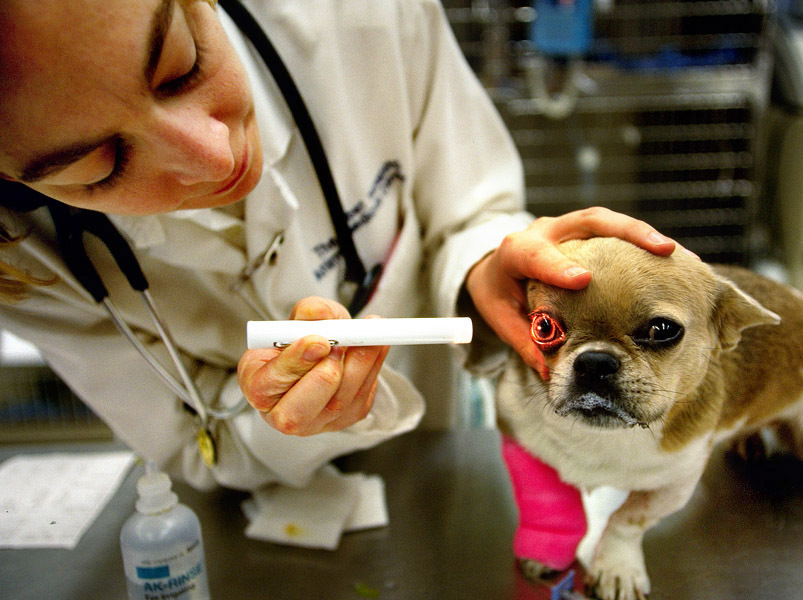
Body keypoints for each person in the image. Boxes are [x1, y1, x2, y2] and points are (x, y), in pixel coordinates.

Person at [0, 0, 675, 491]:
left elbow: (470, 204)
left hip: (436, 472)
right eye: (100, 164)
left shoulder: (358, 15)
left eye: (181, 67)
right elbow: (196, 445)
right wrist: (280, 422)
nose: (215, 159)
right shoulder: (18, 253)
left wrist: (482, 262)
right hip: (258, 534)